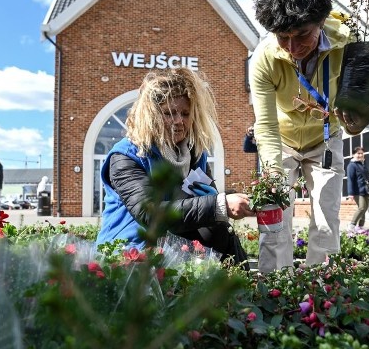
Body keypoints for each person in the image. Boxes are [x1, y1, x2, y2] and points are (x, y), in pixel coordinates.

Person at [249, 0, 369, 273]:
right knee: (275, 216)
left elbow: (365, 105)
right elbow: (265, 126)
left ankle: (320, 288)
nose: (293, 47)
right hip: (281, 140)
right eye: (283, 37)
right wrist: (275, 178)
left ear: (320, 21)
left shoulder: (349, 42)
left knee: (325, 216)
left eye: (302, 34)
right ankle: (275, 286)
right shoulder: (263, 59)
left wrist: (360, 118)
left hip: (325, 140)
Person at [96, 67, 255, 268]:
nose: (179, 121)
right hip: (130, 252)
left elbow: (205, 206)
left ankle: (242, 291)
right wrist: (219, 204)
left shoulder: (194, 154)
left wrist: (231, 201)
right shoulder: (126, 156)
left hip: (174, 246)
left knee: (220, 230)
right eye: (169, 113)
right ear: (151, 116)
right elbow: (149, 214)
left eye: (185, 113)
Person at [347, 147, 369, 230]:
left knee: (365, 208)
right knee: (361, 207)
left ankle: (361, 226)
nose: (360, 155)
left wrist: (364, 162)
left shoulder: (362, 164)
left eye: (362, 153)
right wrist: (350, 193)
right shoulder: (352, 165)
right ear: (353, 154)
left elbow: (367, 177)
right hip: (357, 191)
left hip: (365, 190)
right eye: (358, 153)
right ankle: (352, 225)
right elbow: (350, 179)